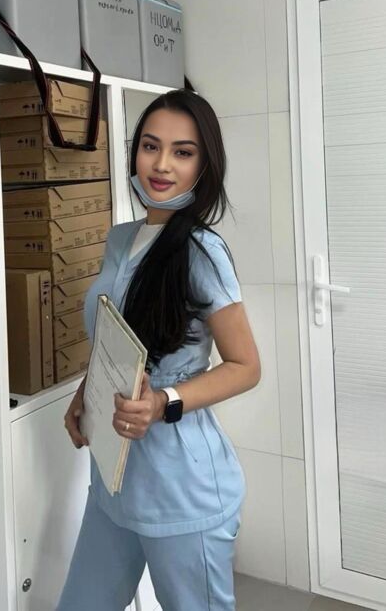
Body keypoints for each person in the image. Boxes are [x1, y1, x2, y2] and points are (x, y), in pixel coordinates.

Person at [56, 87, 261, 611]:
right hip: (114, 480)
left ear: (203, 166)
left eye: (182, 152)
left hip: (181, 488)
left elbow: (245, 367)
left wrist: (163, 401)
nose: (162, 164)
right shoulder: (120, 239)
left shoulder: (201, 252)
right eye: (151, 146)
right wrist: (86, 393)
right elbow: (117, 339)